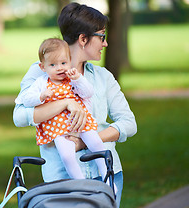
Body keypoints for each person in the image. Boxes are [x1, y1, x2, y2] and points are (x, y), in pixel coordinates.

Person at [13, 2, 137, 207]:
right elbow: (19, 117)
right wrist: (66, 102)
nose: (105, 43)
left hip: (105, 175)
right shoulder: (41, 72)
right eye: (102, 36)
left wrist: (86, 141)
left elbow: (129, 123)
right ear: (83, 39)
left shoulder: (102, 77)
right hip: (61, 179)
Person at [15, 38, 116, 191]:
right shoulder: (41, 82)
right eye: (53, 65)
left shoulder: (72, 78)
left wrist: (78, 80)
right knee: (67, 156)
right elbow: (26, 99)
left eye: (63, 63)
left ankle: (107, 177)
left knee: (96, 145)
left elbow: (88, 93)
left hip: (81, 122)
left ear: (69, 61)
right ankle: (82, 185)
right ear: (43, 67)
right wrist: (40, 96)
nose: (60, 68)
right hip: (58, 128)